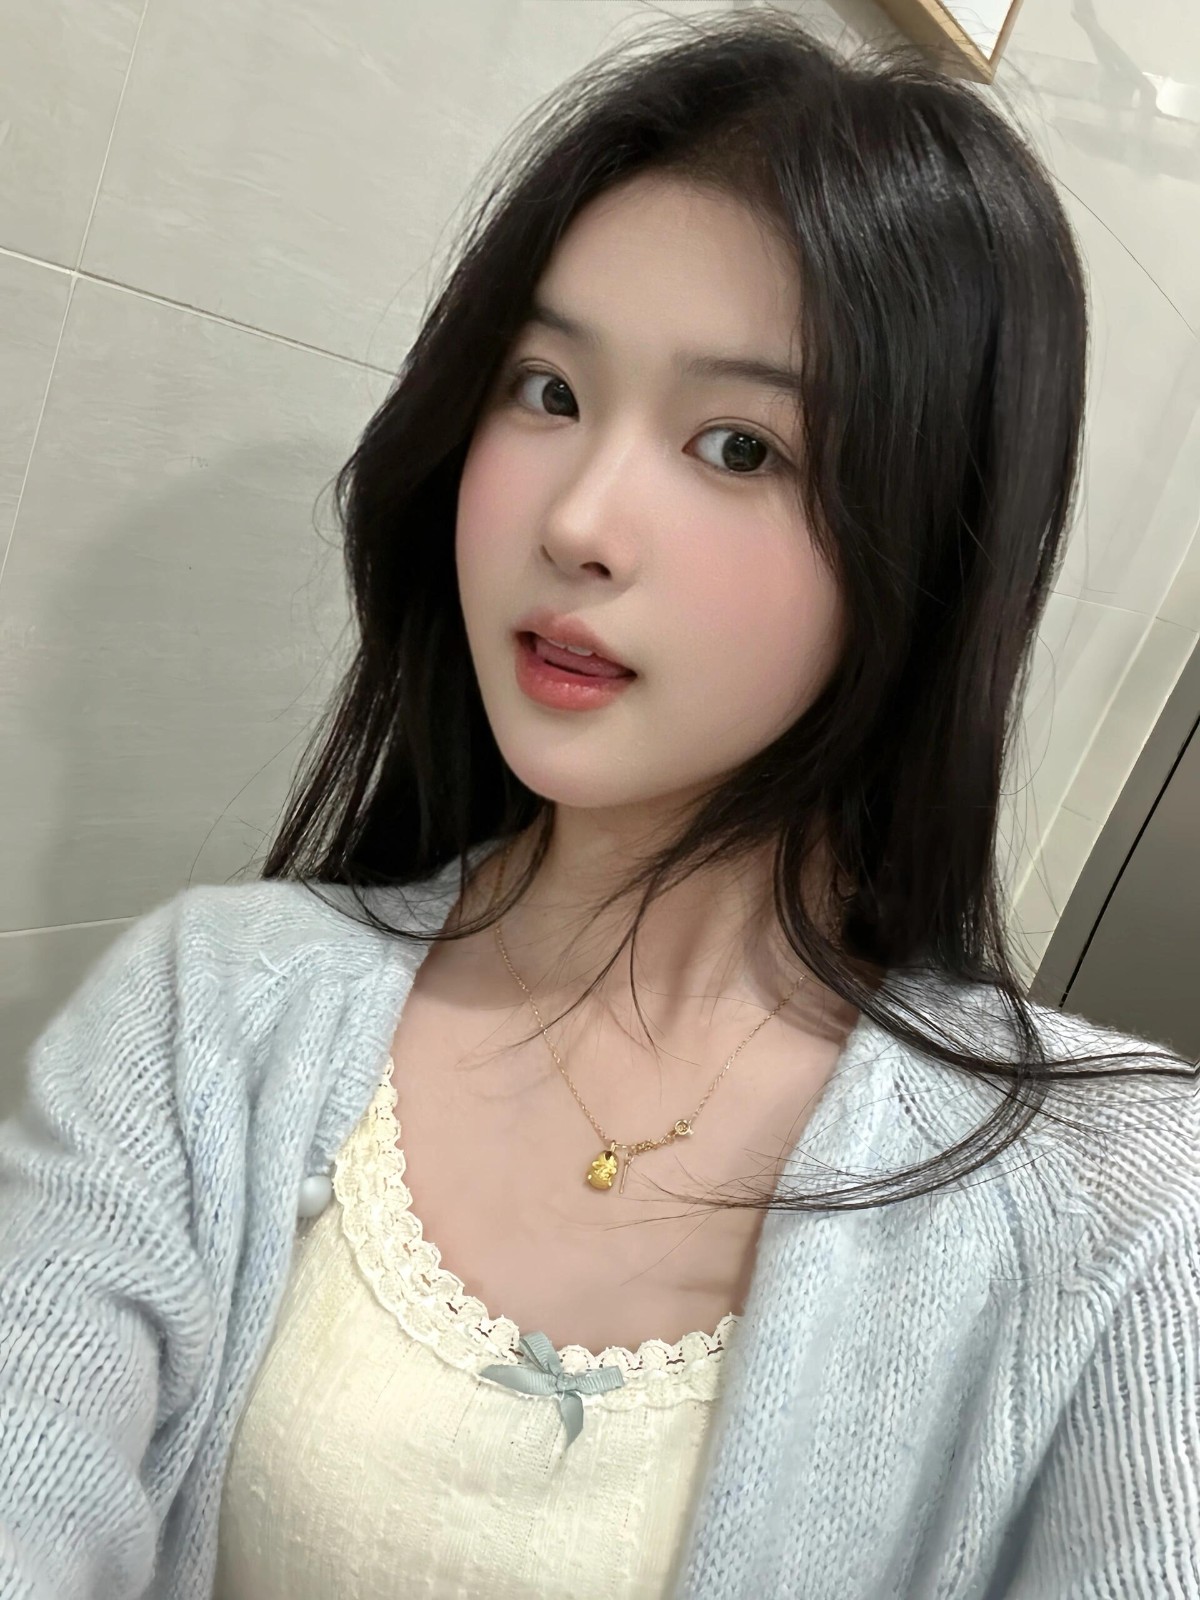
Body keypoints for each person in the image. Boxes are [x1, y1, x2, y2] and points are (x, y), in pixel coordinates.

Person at [1, 11, 1197, 1600]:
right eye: (546, 388)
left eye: (738, 445)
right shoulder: (207, 1009)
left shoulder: (1122, 1209)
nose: (577, 520)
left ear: (933, 547)